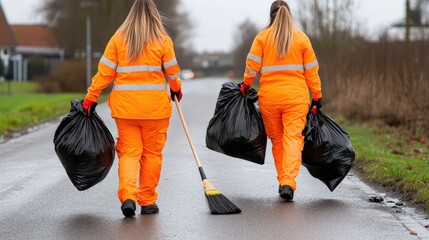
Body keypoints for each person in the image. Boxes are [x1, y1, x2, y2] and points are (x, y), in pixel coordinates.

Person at [82, 0, 183, 216]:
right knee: (152, 154)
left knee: (129, 153)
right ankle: (147, 201)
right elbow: (173, 73)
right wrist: (176, 89)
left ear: (131, 14)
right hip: (155, 110)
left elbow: (104, 73)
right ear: (154, 15)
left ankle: (128, 196)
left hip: (126, 109)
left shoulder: (118, 39)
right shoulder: (163, 40)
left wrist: (90, 98)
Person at [240, 0, 322, 201]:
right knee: (293, 139)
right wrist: (317, 96)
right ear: (289, 14)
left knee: (278, 141)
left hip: (270, 98)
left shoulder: (262, 37)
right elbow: (312, 71)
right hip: (296, 98)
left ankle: (283, 182)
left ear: (271, 16)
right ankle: (287, 182)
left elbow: (252, 67)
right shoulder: (301, 39)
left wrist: (246, 85)